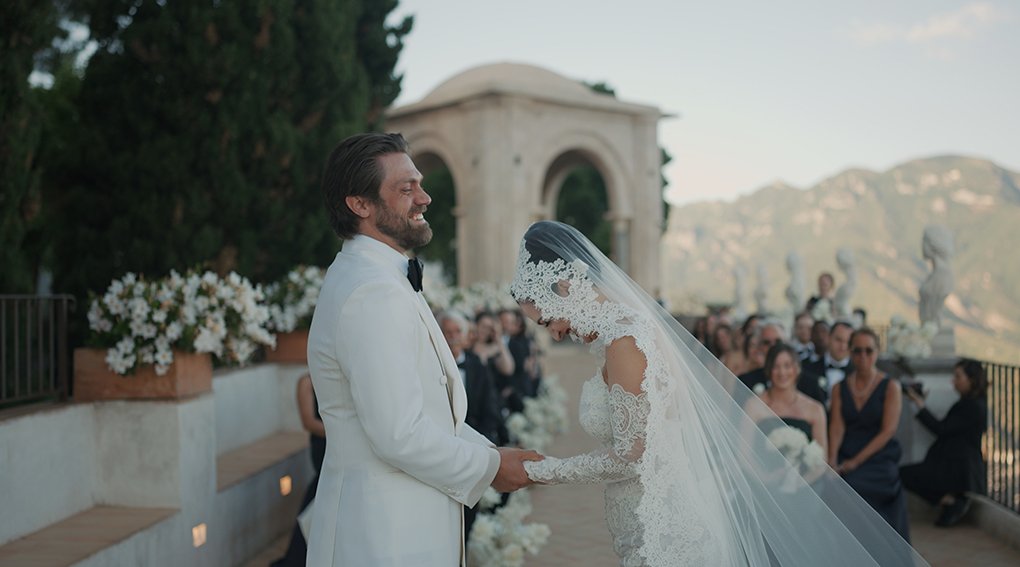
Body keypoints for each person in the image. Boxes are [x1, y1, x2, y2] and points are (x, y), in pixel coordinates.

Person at [510, 221, 926, 566]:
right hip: (648, 518)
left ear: (566, 287)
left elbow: (634, 454)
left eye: (547, 320)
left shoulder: (624, 340)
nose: (555, 332)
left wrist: (538, 471)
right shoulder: (625, 332)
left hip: (662, 528)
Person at [306, 132, 540, 566]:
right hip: (385, 536)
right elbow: (399, 433)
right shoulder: (371, 292)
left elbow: (429, 412)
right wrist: (490, 469)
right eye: (406, 188)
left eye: (420, 184)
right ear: (360, 204)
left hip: (404, 520)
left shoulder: (381, 277)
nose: (425, 198)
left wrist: (491, 454)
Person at [828, 328, 910, 541]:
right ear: (850, 352)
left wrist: (854, 463)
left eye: (868, 350)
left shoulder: (891, 387)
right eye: (857, 351)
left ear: (877, 351)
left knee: (853, 486)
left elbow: (888, 431)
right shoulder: (839, 388)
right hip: (847, 449)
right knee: (832, 487)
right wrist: (832, 460)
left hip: (879, 456)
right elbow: (837, 426)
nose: (863, 356)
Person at [901, 359, 988, 527]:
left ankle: (951, 501)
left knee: (902, 474)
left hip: (957, 470)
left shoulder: (972, 406)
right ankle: (950, 501)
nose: (953, 381)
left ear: (971, 379)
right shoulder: (971, 403)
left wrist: (920, 406)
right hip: (952, 465)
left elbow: (941, 429)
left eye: (957, 376)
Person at [271, 374, 326, 566]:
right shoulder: (306, 382)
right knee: (318, 492)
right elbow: (308, 422)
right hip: (324, 442)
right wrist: (339, 431)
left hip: (341, 442)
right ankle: (299, 555)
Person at [746, 344, 827, 449]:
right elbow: (744, 453)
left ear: (797, 369)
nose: (782, 372)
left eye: (787, 366)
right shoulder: (753, 406)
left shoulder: (815, 409)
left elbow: (821, 458)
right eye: (776, 367)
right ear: (769, 370)